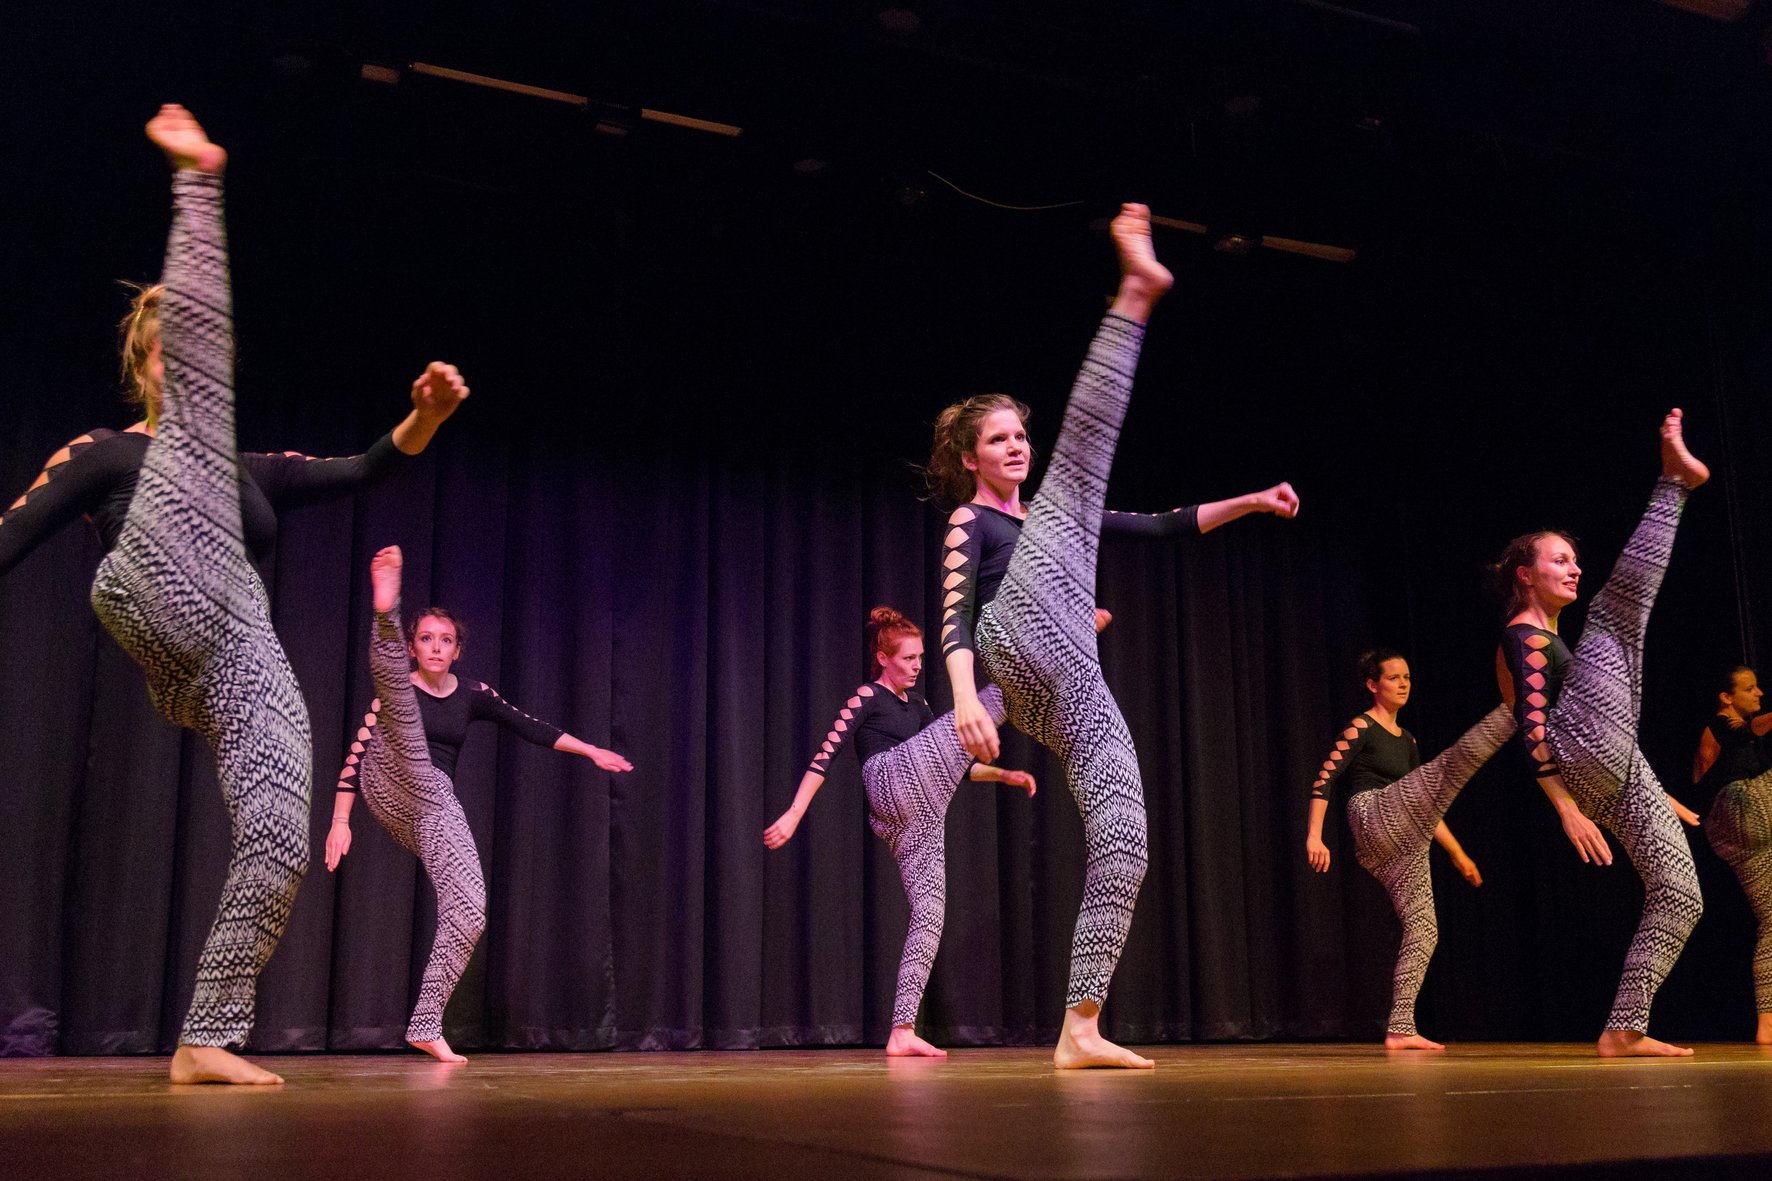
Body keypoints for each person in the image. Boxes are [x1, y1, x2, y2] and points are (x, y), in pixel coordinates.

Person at [0, 107, 466, 1084]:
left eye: (191, 346)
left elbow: (364, 468)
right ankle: (198, 182)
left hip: (236, 656)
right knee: (188, 455)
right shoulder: (102, 452)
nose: (182, 361)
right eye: (166, 348)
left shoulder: (252, 469)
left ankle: (205, 1036)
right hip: (152, 596)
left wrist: (422, 414)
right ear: (145, 363)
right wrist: (197, 181)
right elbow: (11, 536)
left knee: (280, 832)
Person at [927, 203, 1300, 1068]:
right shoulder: (973, 521)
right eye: (999, 439)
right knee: (1082, 472)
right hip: (1012, 643)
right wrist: (962, 701)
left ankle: (1081, 1027)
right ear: (971, 458)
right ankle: (1134, 293)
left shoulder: (1058, 522)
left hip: (1070, 680)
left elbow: (1163, 524)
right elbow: (955, 613)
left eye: (1020, 435)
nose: (1016, 446)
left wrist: (1251, 500)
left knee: (1126, 839)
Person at [325, 547, 633, 1063]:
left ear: (457, 651)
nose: (436, 647)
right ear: (412, 647)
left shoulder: (474, 695)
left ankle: (426, 1023)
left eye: (445, 640)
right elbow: (356, 755)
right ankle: (385, 611)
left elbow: (529, 725)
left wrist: (590, 751)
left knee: (469, 913)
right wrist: (340, 821)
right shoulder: (394, 693)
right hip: (388, 784)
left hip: (431, 808)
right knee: (399, 706)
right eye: (426, 638)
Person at [1491, 409, 1709, 1056]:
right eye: (1560, 560)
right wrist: (1564, 808)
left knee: (1681, 894)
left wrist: (1654, 790)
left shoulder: (1556, 645)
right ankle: (1671, 483)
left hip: (1614, 765)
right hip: (1580, 756)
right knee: (1614, 618)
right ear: (1525, 574)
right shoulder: (1524, 638)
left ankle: (1624, 1027)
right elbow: (1532, 727)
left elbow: (1606, 731)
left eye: (1576, 560)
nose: (1574, 568)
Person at [763, 606, 1036, 1057]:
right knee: (988, 703)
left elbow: (952, 764)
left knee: (929, 916)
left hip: (919, 816)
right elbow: (826, 754)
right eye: (908, 658)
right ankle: (1046, 644)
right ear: (883, 658)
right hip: (891, 781)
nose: (917, 666)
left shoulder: (921, 707)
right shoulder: (866, 696)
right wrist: (794, 813)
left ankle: (902, 1030)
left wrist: (1003, 775)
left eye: (921, 658)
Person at [1305, 650, 1513, 1049]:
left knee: (1424, 929)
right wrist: (1315, 835)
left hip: (1402, 843)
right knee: (1444, 770)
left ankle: (1400, 1028)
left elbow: (1427, 805)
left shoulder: (1409, 740)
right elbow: (1324, 779)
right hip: (1372, 816)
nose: (1403, 684)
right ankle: (1511, 712)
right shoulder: (1362, 727)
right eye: (1394, 678)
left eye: (1408, 677)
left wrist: (1458, 854)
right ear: (1373, 685)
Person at [1683, 665, 1772, 1042]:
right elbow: (1744, 733)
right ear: (1726, 697)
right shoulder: (1721, 724)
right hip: (1741, 812)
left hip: (1733, 825)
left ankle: (1769, 1023)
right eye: (1749, 689)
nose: (1759, 693)